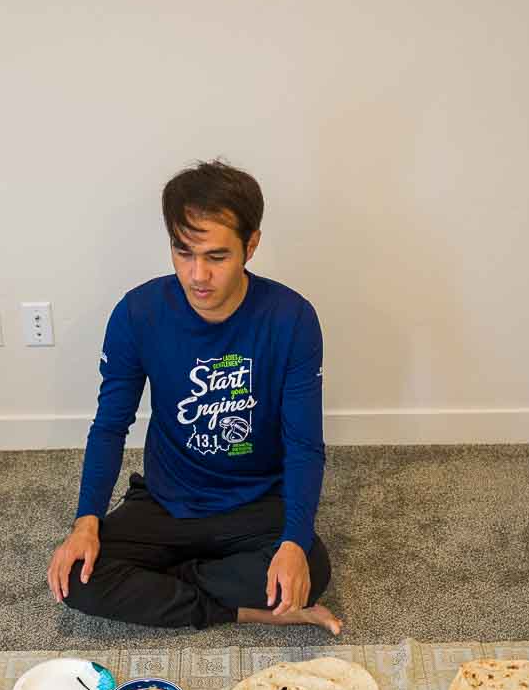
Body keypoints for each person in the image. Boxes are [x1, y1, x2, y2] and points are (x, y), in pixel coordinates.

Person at [45, 160, 341, 634]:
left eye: (217, 256)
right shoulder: (138, 314)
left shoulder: (292, 319)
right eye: (184, 253)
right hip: (167, 500)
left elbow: (305, 445)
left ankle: (164, 584)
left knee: (314, 567)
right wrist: (86, 521)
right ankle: (240, 610)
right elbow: (109, 426)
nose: (197, 274)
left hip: (255, 501)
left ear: (252, 245)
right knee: (77, 579)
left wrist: (291, 544)